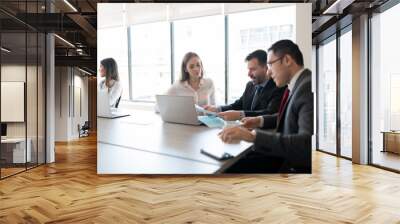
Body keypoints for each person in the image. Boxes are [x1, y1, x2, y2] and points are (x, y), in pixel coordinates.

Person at [219, 40, 313, 173]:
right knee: (227, 161)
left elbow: (306, 145)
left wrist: (253, 137)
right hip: (280, 154)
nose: (269, 72)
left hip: (288, 164)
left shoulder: (306, 87)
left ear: (287, 60)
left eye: (270, 64)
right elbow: (288, 116)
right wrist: (259, 120)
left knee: (227, 168)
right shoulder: (298, 84)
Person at [203, 49, 285, 121]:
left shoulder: (278, 87)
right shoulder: (250, 85)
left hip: (263, 135)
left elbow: (269, 113)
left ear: (266, 68)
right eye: (248, 70)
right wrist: (218, 109)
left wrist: (240, 115)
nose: (249, 74)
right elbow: (238, 105)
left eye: (253, 69)